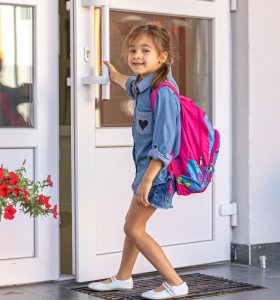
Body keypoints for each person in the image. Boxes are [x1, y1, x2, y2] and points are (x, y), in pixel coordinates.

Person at [88, 24, 188, 299]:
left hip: (157, 174)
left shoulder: (164, 92)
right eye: (133, 50)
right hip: (146, 172)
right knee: (133, 224)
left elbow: (164, 145)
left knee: (132, 228)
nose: (137, 55)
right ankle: (123, 277)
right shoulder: (145, 84)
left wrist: (147, 180)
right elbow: (127, 83)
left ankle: (174, 282)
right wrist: (111, 72)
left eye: (145, 50)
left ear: (162, 57)